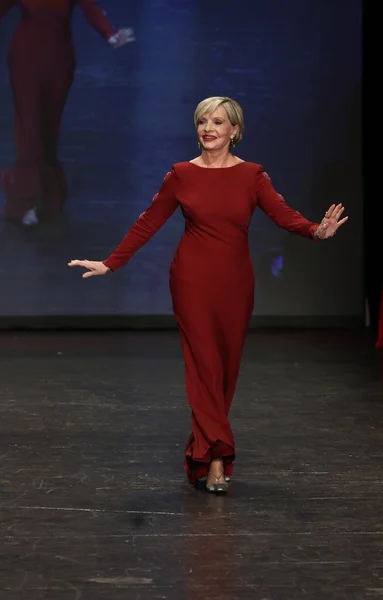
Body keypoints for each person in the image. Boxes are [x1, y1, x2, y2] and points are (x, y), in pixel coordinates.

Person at [68, 96, 348, 493]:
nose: (208, 128)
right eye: (202, 121)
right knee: (203, 367)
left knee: (225, 371)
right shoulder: (181, 174)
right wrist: (111, 262)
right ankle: (218, 459)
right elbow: (148, 222)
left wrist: (316, 231)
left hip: (236, 283)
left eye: (218, 121)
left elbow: (283, 215)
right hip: (192, 282)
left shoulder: (253, 175)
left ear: (235, 130)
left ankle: (201, 451)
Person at [0, 0, 134, 226]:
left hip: (59, 61)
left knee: (47, 131)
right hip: (25, 59)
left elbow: (89, 7)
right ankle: (26, 201)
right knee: (29, 128)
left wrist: (110, 35)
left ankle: (45, 194)